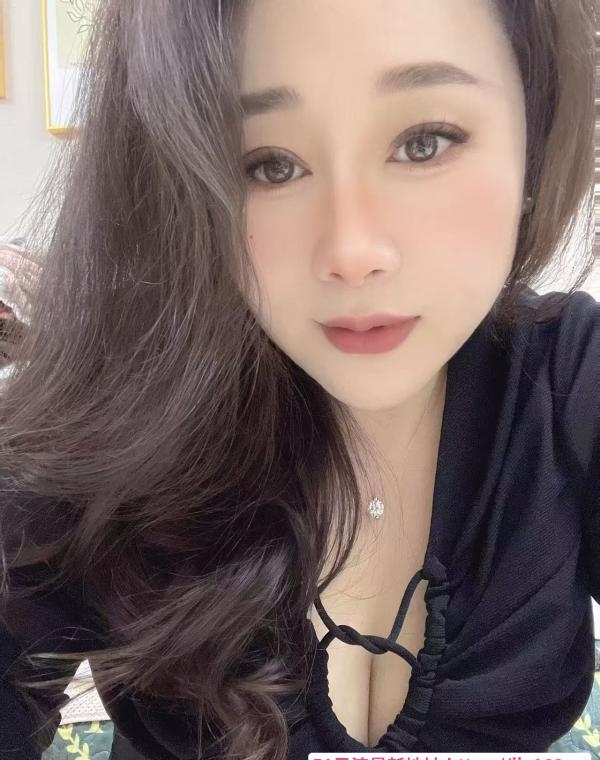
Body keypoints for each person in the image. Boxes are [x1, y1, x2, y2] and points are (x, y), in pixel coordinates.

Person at [0, 1, 598, 758]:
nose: (353, 252)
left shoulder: (569, 380)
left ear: (533, 138)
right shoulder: (110, 418)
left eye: (424, 141)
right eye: (269, 165)